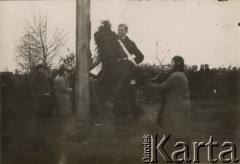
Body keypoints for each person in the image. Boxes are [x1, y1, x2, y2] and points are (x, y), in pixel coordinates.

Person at [147, 56, 191, 139]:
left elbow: (162, 87)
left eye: (172, 62)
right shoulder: (181, 74)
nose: (170, 64)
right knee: (180, 129)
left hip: (177, 104)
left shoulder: (175, 75)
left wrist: (150, 84)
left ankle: (172, 146)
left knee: (173, 128)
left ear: (177, 63)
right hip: (181, 103)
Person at [112, 23, 144, 121]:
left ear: (126, 31)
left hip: (127, 73)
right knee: (117, 94)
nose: (120, 31)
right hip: (116, 72)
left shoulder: (130, 43)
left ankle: (135, 116)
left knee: (129, 94)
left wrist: (130, 63)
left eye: (122, 30)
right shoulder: (113, 42)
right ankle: (120, 115)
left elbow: (140, 57)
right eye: (119, 30)